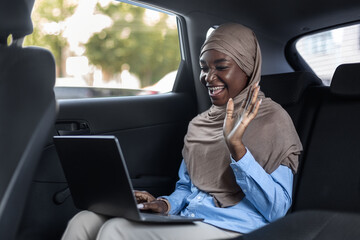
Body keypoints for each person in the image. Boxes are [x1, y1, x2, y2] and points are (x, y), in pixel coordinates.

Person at [61, 23, 302, 240]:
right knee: (85, 221)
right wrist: (165, 204)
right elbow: (188, 188)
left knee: (116, 231)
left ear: (248, 67)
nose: (209, 77)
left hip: (235, 229)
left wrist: (237, 148)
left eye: (221, 67)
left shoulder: (274, 120)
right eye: (204, 67)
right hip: (192, 218)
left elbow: (277, 210)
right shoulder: (201, 124)